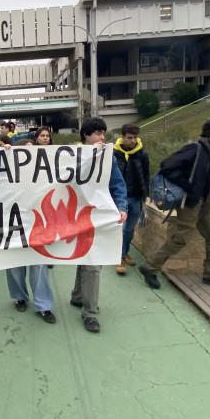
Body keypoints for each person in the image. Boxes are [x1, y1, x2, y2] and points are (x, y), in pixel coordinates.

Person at [139, 117, 210, 290]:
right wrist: (190, 188)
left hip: (205, 205)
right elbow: (167, 166)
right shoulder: (195, 149)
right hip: (191, 204)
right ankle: (149, 268)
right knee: (180, 238)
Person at [69, 117, 128, 333]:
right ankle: (83, 303)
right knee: (86, 258)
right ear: (86, 135)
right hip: (73, 216)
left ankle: (87, 308)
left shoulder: (107, 158)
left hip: (97, 216)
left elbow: (117, 184)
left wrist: (122, 206)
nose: (102, 138)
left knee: (93, 261)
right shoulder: (69, 156)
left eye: (104, 134)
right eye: (97, 133)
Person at [6, 128, 57, 324]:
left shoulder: (45, 171)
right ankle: (19, 296)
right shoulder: (6, 173)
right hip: (12, 224)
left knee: (40, 264)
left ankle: (43, 305)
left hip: (39, 224)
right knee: (14, 265)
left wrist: (94, 153)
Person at [113, 124, 151, 275]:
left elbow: (146, 175)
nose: (133, 141)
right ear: (122, 137)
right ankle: (119, 259)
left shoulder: (141, 154)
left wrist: (145, 193)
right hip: (119, 199)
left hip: (135, 197)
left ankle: (125, 252)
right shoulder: (115, 154)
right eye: (129, 138)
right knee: (121, 229)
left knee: (129, 230)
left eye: (135, 137)